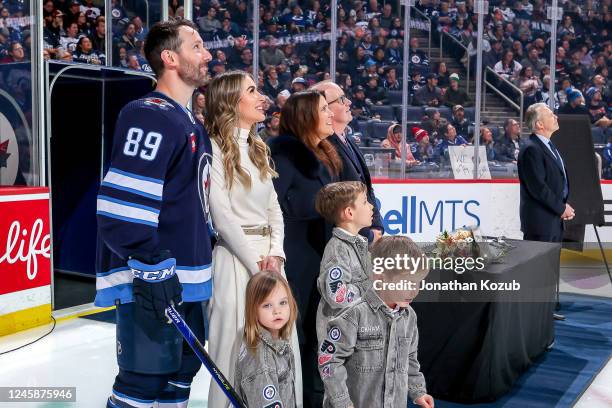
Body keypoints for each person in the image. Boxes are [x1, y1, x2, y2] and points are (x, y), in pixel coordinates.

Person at [95, 18, 213, 408]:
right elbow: (119, 208)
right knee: (144, 381)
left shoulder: (191, 121)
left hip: (189, 278)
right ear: (170, 58)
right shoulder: (149, 114)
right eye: (196, 46)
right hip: (154, 277)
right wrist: (153, 267)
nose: (207, 54)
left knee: (177, 380)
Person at [204, 71, 302, 408]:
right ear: (232, 101)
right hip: (235, 261)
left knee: (284, 350)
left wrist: (275, 253)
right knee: (230, 355)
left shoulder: (258, 147)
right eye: (252, 90)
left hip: (270, 263)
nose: (261, 97)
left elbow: (274, 208)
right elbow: (222, 215)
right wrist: (256, 264)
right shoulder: (214, 149)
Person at [268, 90, 340, 408]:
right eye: (323, 109)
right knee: (298, 337)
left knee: (316, 338)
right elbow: (274, 208)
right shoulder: (284, 157)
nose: (329, 114)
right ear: (305, 117)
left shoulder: (323, 154)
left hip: (317, 256)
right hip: (296, 260)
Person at [318, 236, 434, 408]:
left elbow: (409, 358)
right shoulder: (353, 315)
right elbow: (329, 360)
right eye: (407, 283)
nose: (414, 291)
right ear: (381, 278)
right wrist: (342, 402)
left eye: (418, 284)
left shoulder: (410, 316)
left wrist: (418, 391)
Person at [311, 80, 384, 243]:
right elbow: (336, 201)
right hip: (346, 240)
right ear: (324, 108)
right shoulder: (322, 147)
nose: (349, 102)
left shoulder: (348, 139)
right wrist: (367, 234)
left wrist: (377, 227)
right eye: (341, 99)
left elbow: (367, 189)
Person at [313, 181, 374, 343]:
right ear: (349, 212)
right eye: (365, 202)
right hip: (340, 340)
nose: (371, 206)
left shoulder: (360, 243)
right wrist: (370, 285)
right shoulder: (337, 249)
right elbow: (337, 295)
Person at [235, 271, 299, 408]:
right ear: (253, 310)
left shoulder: (279, 344)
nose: (277, 311)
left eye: (283, 302)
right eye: (267, 305)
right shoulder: (261, 359)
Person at [518, 102, 575, 242]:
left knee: (551, 264)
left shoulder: (548, 145)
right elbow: (538, 188)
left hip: (553, 220)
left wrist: (562, 206)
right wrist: (561, 208)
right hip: (540, 224)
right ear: (539, 124)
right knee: (539, 264)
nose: (555, 116)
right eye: (550, 115)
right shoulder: (531, 149)